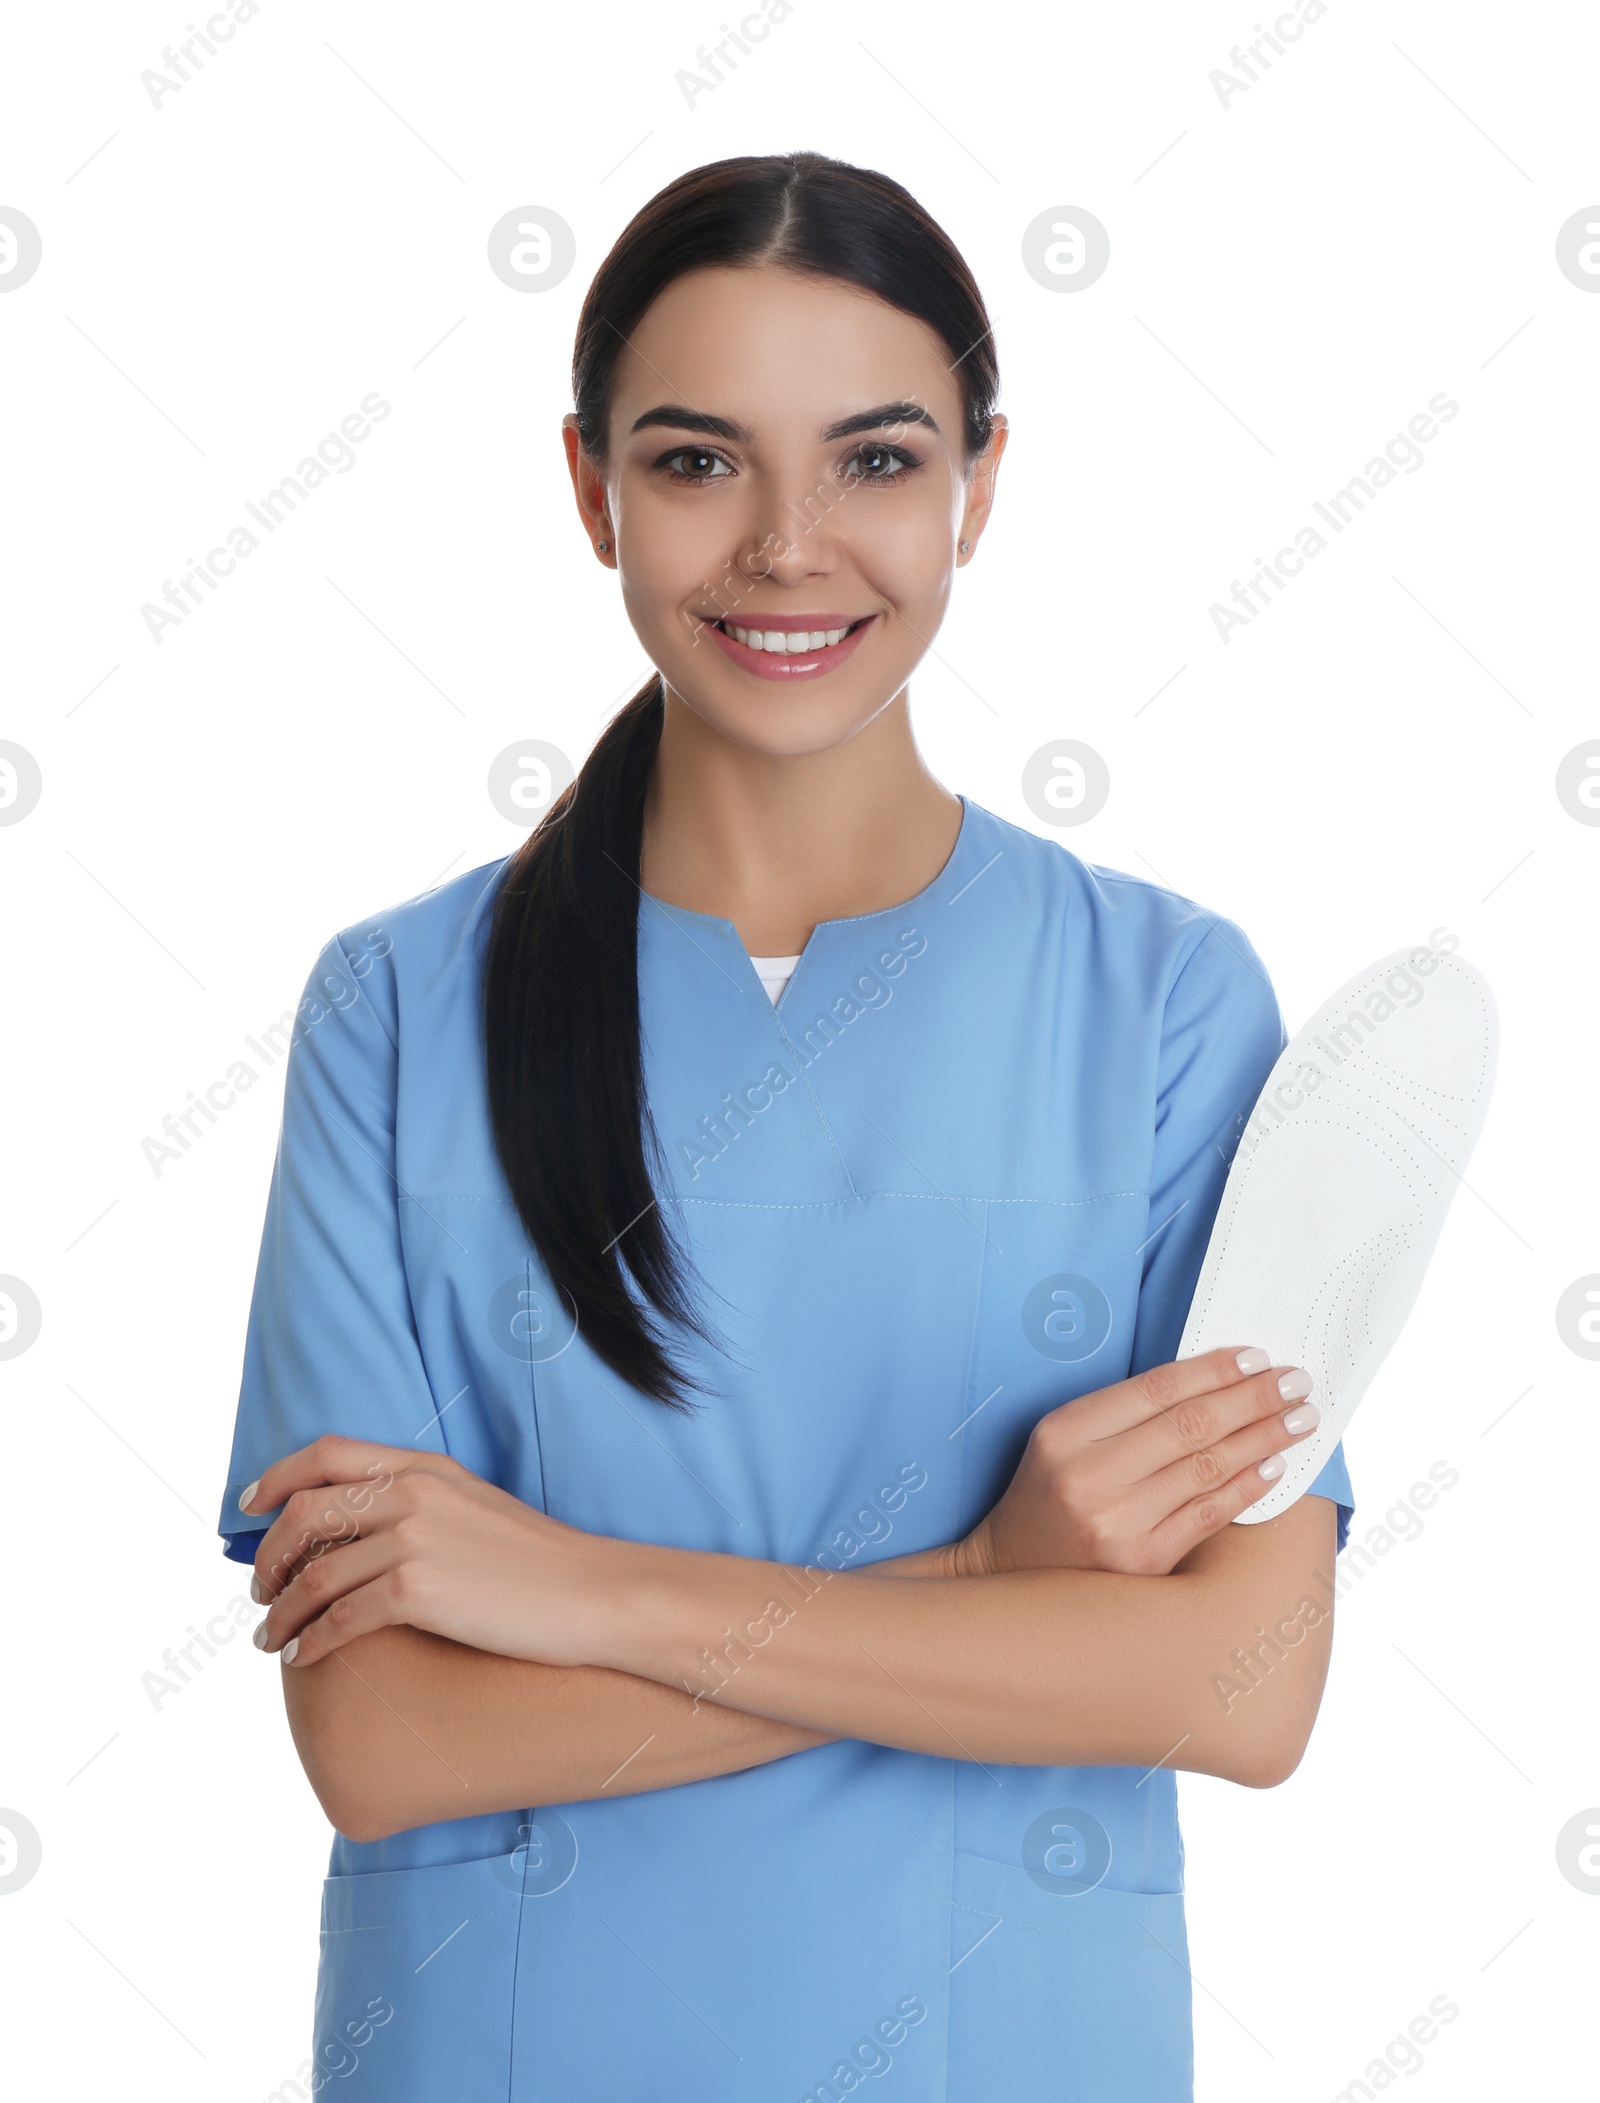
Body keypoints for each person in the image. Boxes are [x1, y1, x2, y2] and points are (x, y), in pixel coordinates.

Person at [219, 151, 1354, 2102]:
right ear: (586, 489)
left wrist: (581, 1592)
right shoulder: (399, 1008)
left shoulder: (1163, 1004)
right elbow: (386, 1736)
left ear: (980, 484)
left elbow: (1232, 1686)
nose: (785, 544)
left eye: (874, 460)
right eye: (695, 461)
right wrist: (992, 1589)